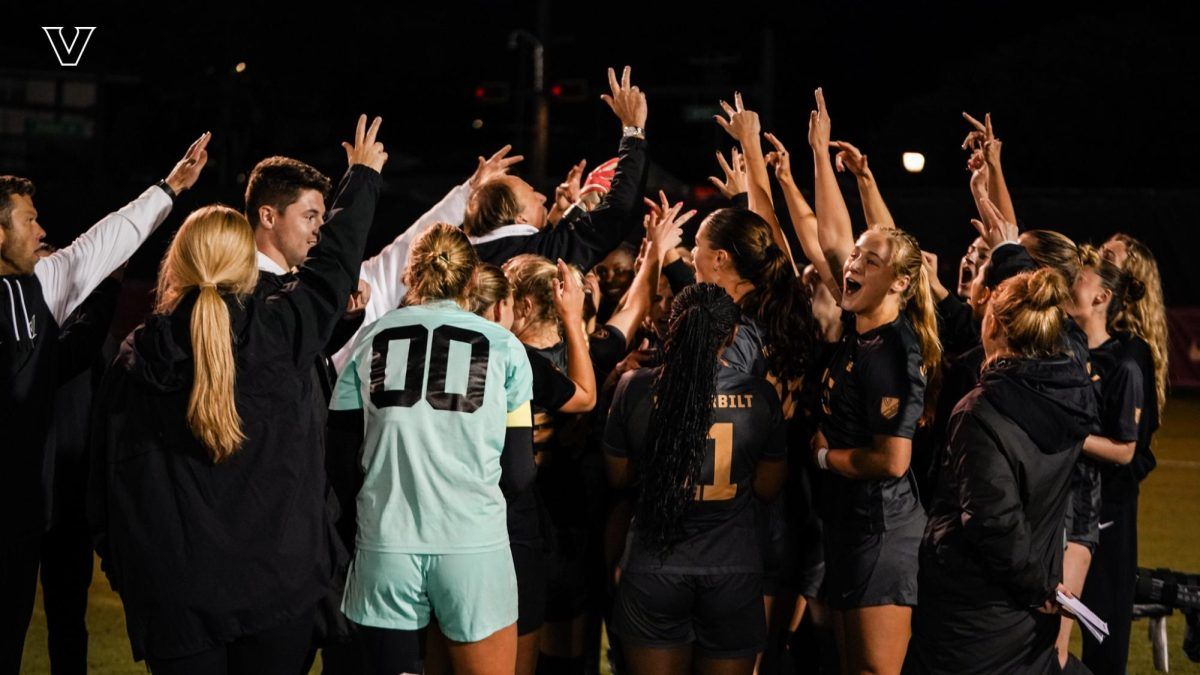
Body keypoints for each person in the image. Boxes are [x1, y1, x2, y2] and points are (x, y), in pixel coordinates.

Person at [89, 116, 385, 673]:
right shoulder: (273, 331)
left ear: (179, 257)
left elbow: (102, 477)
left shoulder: (136, 352)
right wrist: (363, 178)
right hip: (276, 588)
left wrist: (127, 568)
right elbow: (328, 274)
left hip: (173, 595)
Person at [0, 132, 209, 673]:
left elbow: (104, 240)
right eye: (29, 220)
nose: (41, 230)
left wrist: (168, 189)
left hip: (25, 516)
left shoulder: (38, 285)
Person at [332, 223, 535, 675]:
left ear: (412, 273)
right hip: (473, 546)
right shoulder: (504, 346)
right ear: (470, 279)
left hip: (387, 544)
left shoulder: (370, 339)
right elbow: (519, 472)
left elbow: (340, 463)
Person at [803, 87, 939, 675]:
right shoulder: (861, 331)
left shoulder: (891, 350)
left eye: (869, 261)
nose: (853, 265)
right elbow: (830, 239)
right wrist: (817, 154)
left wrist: (827, 459)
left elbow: (893, 462)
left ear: (902, 285)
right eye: (857, 256)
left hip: (882, 531)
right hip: (851, 524)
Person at [911, 268, 1097, 674]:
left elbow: (994, 521)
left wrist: (1035, 587)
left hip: (974, 612)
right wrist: (1042, 587)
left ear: (992, 322)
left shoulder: (982, 410)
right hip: (1031, 608)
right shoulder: (1074, 397)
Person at [606, 283, 787, 675]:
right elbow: (768, 487)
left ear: (675, 326)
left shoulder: (634, 387)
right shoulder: (759, 396)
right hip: (731, 570)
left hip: (655, 568)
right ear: (733, 334)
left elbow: (619, 477)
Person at [470, 261, 596, 675]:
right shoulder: (584, 358)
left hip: (496, 526)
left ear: (521, 305)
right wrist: (574, 319)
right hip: (559, 525)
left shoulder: (490, 356)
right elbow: (586, 396)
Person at [463, 66, 647, 271]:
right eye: (532, 194)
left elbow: (542, 243)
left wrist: (564, 214)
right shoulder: (533, 258)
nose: (542, 197)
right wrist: (633, 128)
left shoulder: (464, 256)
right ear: (519, 218)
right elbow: (619, 213)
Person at [1083, 234, 1167, 674]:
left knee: (1104, 620)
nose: (1096, 256)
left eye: (1108, 256)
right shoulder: (1090, 339)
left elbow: (1132, 449)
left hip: (1110, 502)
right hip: (1080, 497)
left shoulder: (1131, 354)